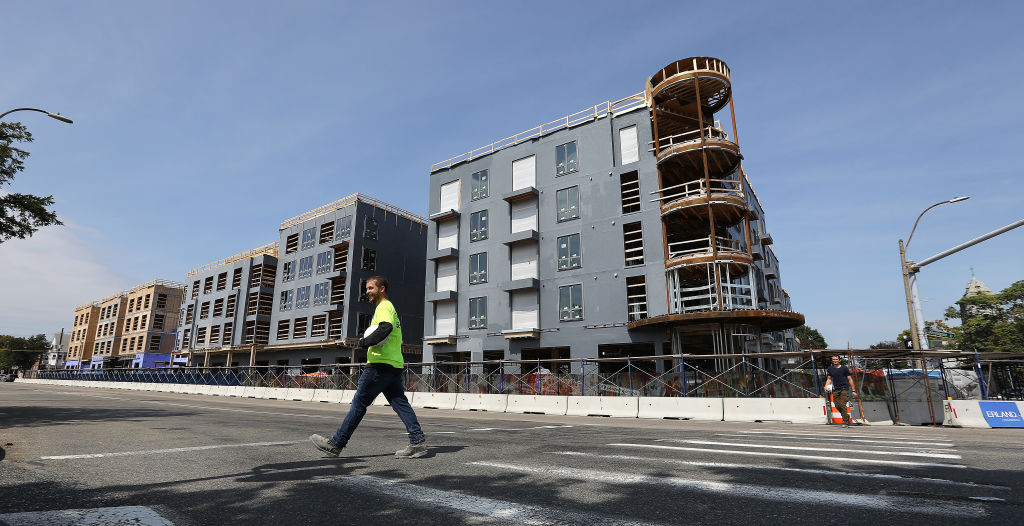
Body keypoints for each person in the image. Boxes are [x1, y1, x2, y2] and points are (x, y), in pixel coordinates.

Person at [310, 276, 427, 458]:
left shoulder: (384, 307)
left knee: (359, 404)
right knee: (400, 403)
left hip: (379, 366)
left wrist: (364, 342)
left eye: (371, 288)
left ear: (382, 289)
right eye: (367, 289)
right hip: (393, 364)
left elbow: (385, 328)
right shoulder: (390, 308)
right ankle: (417, 441)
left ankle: (336, 443)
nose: (368, 292)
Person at [824, 354, 858, 427]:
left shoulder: (844, 368)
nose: (835, 361)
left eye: (836, 359)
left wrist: (853, 390)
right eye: (833, 359)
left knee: (842, 405)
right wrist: (826, 386)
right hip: (835, 389)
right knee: (837, 406)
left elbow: (850, 379)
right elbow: (829, 379)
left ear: (839, 360)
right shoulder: (830, 369)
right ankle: (846, 416)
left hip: (844, 389)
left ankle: (845, 422)